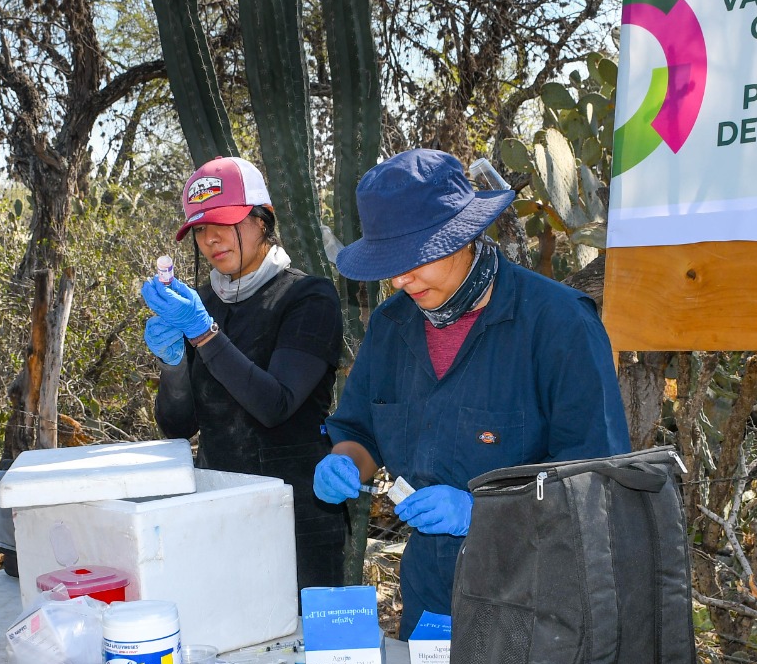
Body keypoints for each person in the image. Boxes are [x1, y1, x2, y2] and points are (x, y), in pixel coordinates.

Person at [313, 148, 630, 633]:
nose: (401, 279)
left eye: (415, 257)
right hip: (431, 596)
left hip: (536, 601)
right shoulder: (390, 326)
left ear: (464, 235)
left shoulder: (559, 324)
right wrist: (345, 461)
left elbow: (596, 481)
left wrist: (481, 513)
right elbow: (361, 431)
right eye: (390, 264)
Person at [142, 156, 347, 589]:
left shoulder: (307, 297)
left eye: (225, 221)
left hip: (297, 515)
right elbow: (178, 425)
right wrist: (173, 364)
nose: (212, 238)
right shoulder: (202, 304)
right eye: (200, 228)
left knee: (300, 646)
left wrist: (203, 335)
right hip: (217, 504)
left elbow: (275, 405)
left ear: (262, 220)